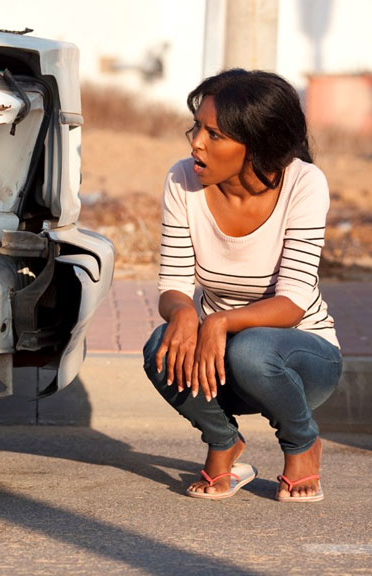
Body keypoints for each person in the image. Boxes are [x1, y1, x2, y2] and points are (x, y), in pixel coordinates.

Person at [142, 69, 342, 502]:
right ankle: (223, 441)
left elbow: (291, 304)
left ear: (257, 144)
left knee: (250, 348)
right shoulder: (182, 180)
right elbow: (174, 283)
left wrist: (216, 323)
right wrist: (182, 314)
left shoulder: (304, 184)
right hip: (225, 363)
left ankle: (303, 443)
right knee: (161, 347)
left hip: (302, 360)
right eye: (197, 127)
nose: (196, 141)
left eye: (214, 134)